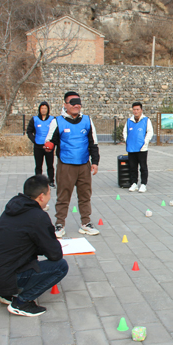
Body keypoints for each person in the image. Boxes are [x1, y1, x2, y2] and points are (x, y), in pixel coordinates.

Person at [0, 175, 68, 317]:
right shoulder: (38, 217)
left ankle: (4, 294)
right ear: (41, 196)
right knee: (61, 266)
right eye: (49, 193)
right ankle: (22, 302)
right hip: (4, 278)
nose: (50, 197)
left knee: (27, 255)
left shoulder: (13, 208)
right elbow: (55, 254)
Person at [45, 91, 100, 237]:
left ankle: (86, 223)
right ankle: (59, 224)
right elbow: (50, 140)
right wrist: (48, 146)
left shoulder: (87, 120)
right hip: (66, 164)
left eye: (78, 102)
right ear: (65, 104)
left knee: (85, 195)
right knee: (63, 195)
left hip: (84, 164)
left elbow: (93, 143)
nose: (76, 105)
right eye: (72, 102)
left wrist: (95, 162)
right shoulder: (57, 121)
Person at [122, 101, 154, 193]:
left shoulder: (146, 120)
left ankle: (143, 184)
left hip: (142, 148)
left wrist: (145, 142)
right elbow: (125, 132)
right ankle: (134, 183)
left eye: (137, 109)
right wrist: (127, 141)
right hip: (131, 148)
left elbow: (150, 132)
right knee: (132, 167)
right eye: (134, 109)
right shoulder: (129, 121)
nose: (136, 111)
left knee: (143, 167)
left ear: (141, 110)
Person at [27, 101, 55, 188]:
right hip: (38, 146)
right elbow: (29, 131)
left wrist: (52, 142)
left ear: (48, 109)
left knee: (50, 165)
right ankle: (38, 182)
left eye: (45, 108)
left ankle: (51, 181)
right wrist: (34, 140)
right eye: (42, 108)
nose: (43, 110)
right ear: (39, 109)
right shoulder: (34, 119)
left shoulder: (52, 119)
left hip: (49, 146)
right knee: (38, 165)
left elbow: (56, 132)